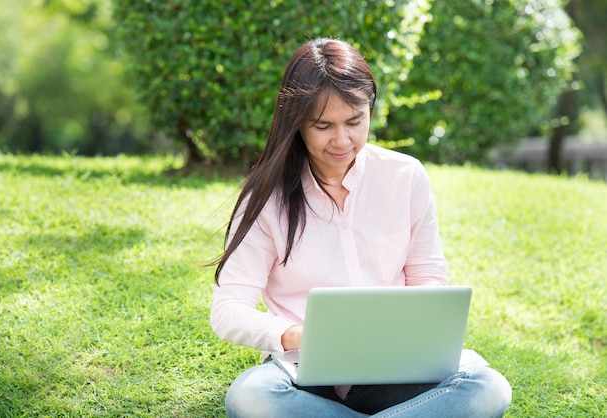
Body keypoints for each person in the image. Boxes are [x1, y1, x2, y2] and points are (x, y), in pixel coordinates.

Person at [210, 38, 512, 417]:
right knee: (251, 396)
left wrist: (417, 329)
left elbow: (427, 276)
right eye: (323, 126)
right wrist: (300, 337)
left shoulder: (405, 176)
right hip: (305, 371)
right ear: (297, 123)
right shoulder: (267, 198)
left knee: (487, 387)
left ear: (370, 110)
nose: (342, 140)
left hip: (397, 364)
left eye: (355, 122)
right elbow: (228, 310)